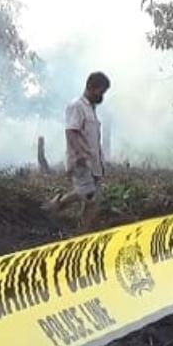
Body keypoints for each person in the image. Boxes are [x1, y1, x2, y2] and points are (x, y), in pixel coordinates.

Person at [43, 72, 111, 229]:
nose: (102, 95)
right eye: (101, 91)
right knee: (90, 196)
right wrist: (80, 154)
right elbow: (71, 132)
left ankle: (59, 207)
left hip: (93, 162)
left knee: (92, 198)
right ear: (91, 87)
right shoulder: (77, 106)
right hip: (81, 161)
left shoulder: (91, 109)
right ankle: (80, 231)